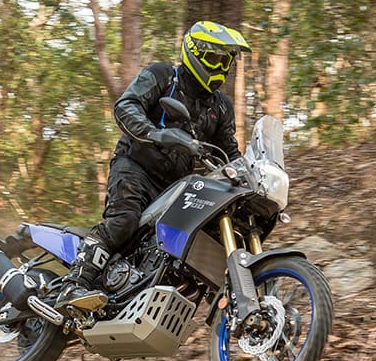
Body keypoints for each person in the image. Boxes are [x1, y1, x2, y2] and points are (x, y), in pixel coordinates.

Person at [56, 20, 252, 312]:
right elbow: (126, 105)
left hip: (175, 189)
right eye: (215, 59)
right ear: (194, 52)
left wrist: (250, 178)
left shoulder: (220, 106)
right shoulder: (164, 76)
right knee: (123, 223)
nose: (221, 68)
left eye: (227, 62)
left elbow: (230, 153)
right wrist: (156, 134)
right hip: (136, 168)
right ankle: (74, 284)